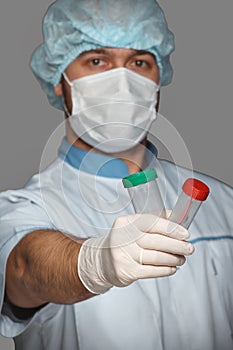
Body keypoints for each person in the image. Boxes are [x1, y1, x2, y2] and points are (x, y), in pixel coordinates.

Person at [0, 0, 233, 349]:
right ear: (59, 81)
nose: (122, 80)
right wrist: (96, 262)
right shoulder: (22, 210)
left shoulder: (225, 206)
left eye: (139, 62)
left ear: (158, 79)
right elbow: (26, 268)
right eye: (97, 61)